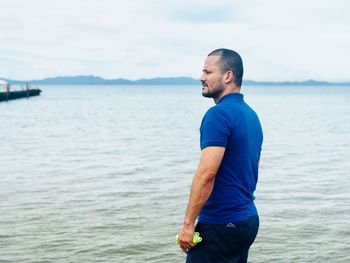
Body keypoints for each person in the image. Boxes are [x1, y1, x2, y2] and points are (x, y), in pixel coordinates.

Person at [177, 48, 263, 263]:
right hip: (246, 221)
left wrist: (188, 225)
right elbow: (252, 168)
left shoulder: (218, 114)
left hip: (221, 224)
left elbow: (207, 173)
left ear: (227, 76)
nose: (201, 77)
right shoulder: (251, 115)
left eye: (207, 72)